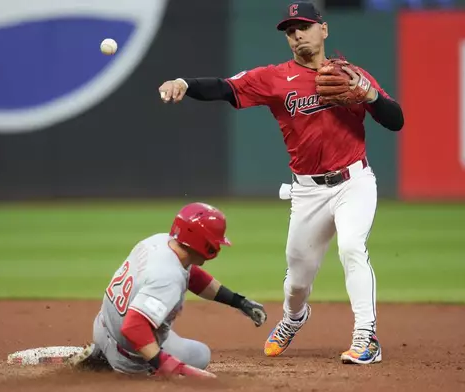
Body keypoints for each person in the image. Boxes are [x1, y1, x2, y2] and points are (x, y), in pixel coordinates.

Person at [157, 1, 404, 365]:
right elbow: (225, 88)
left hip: (354, 180)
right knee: (296, 282)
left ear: (324, 29)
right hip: (307, 191)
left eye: (303, 25)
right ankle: (293, 317)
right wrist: (183, 83)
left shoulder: (351, 75)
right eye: (290, 30)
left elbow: (395, 120)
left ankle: (366, 337)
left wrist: (369, 94)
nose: (296, 34)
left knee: (352, 247)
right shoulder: (274, 78)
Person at [69, 202, 268, 377]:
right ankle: (110, 365)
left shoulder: (161, 242)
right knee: (200, 355)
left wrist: (237, 301)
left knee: (164, 334)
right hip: (129, 355)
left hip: (103, 327)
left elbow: (193, 276)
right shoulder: (168, 278)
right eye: (215, 241)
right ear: (204, 242)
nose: (218, 246)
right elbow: (133, 327)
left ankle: (101, 353)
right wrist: (165, 365)